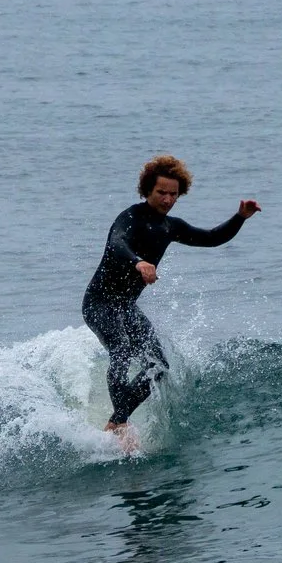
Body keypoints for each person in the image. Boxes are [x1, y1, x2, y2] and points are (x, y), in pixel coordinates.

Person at [83, 154, 260, 451]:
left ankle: (116, 421)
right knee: (122, 351)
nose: (167, 199)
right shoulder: (129, 217)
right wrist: (138, 262)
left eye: (173, 194)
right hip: (99, 303)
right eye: (161, 193)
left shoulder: (171, 226)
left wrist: (239, 217)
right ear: (147, 191)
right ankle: (122, 425)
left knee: (159, 367)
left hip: (125, 306)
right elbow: (117, 243)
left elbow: (212, 238)